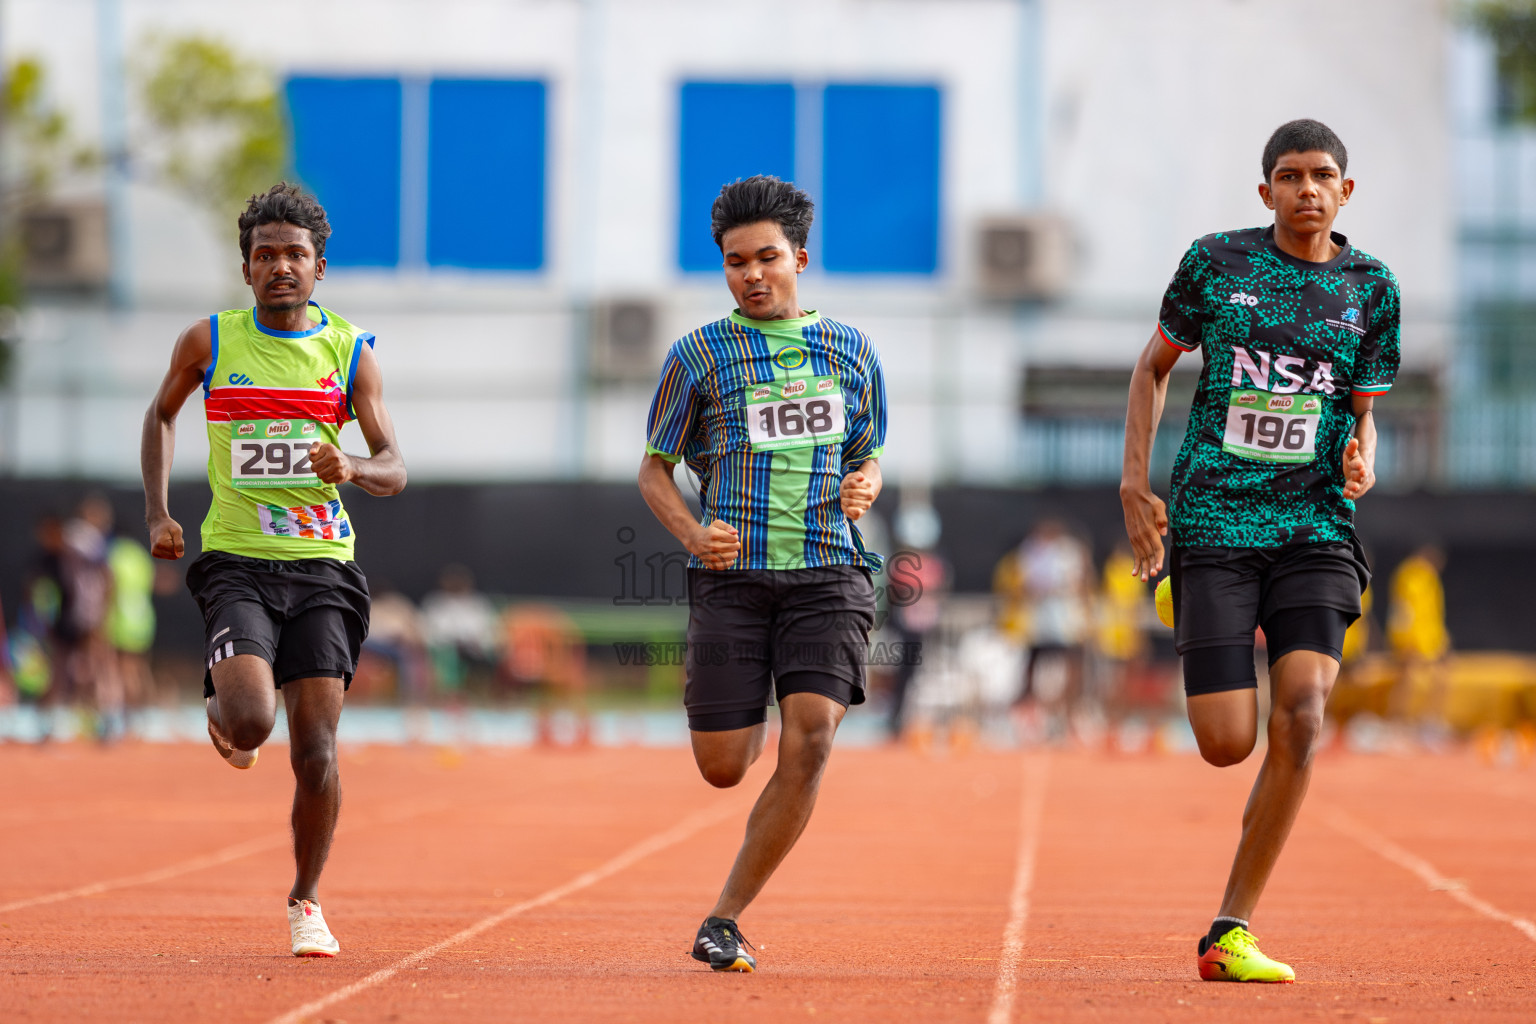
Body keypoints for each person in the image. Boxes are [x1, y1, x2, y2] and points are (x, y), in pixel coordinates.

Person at [1119, 120, 1398, 983]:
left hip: (1315, 526)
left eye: (1322, 176)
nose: (1306, 189)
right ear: (1266, 190)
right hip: (1216, 520)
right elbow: (1152, 368)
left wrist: (1363, 457)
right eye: (1289, 175)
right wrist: (1134, 485)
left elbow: (1363, 413)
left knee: (1304, 711)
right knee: (1225, 743)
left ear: (1345, 191)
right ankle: (1190, 598)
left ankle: (1229, 928)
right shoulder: (1217, 263)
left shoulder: (1373, 287)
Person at [140, 183, 406, 958]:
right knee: (252, 722)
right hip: (238, 562)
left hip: (323, 567)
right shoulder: (209, 342)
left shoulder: (349, 352)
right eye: (265, 255)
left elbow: (394, 465)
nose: (280, 265)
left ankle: (306, 899)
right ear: (246, 268)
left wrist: (352, 465)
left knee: (315, 749)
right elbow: (161, 414)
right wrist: (158, 512)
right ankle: (226, 700)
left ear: (319, 267)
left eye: (295, 254)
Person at [637, 175, 886, 972]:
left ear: (799, 259)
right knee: (724, 767)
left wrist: (866, 482)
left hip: (828, 575)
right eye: (735, 261)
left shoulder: (852, 351)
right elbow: (653, 469)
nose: (752, 274)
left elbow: (868, 453)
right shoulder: (697, 355)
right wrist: (692, 532)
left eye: (767, 257)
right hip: (733, 581)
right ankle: (743, 716)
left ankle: (724, 918)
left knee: (810, 739)